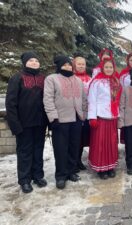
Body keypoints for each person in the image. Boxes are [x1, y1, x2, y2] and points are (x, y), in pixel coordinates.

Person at [6, 51, 48, 193]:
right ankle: (24, 180)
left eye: (36, 61)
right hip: (24, 124)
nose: (34, 63)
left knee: (38, 149)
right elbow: (10, 104)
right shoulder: (17, 78)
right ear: (24, 63)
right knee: (25, 152)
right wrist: (15, 125)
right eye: (31, 61)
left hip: (40, 122)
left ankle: (37, 176)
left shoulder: (43, 79)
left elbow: (47, 101)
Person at [44, 55, 87, 189]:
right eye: (64, 65)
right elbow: (48, 99)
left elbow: (84, 99)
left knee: (74, 147)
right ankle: (61, 175)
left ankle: (71, 171)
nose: (68, 67)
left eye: (69, 65)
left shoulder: (78, 81)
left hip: (76, 119)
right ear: (59, 66)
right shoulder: (52, 79)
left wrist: (83, 115)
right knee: (61, 149)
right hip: (60, 120)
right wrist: (53, 117)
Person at [88, 58, 122, 179]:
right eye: (106, 67)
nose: (109, 69)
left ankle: (110, 166)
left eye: (111, 67)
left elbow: (117, 100)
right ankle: (101, 168)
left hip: (112, 117)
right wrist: (92, 117)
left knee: (112, 142)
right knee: (101, 143)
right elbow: (92, 100)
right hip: (100, 117)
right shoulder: (96, 82)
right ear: (102, 68)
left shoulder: (116, 81)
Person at [73, 54, 92, 171]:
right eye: (78, 64)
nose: (81, 66)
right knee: (76, 138)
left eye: (83, 64)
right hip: (75, 112)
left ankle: (79, 160)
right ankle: (74, 161)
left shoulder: (90, 79)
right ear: (74, 65)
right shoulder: (71, 78)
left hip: (87, 113)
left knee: (83, 138)